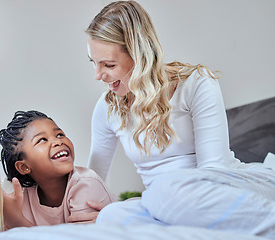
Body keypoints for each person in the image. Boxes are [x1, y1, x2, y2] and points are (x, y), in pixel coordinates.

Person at [69, 0, 275, 238]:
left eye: (109, 64)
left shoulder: (197, 83)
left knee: (163, 189)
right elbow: (93, 182)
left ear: (139, 54)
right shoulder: (108, 108)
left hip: (230, 186)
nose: (98, 75)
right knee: (111, 214)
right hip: (166, 204)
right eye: (94, 63)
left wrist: (156, 197)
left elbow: (215, 173)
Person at [0, 110, 116, 236]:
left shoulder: (85, 184)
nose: (58, 141)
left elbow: (78, 238)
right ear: (23, 167)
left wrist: (16, 221)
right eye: (42, 140)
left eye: (59, 134)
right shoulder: (23, 199)